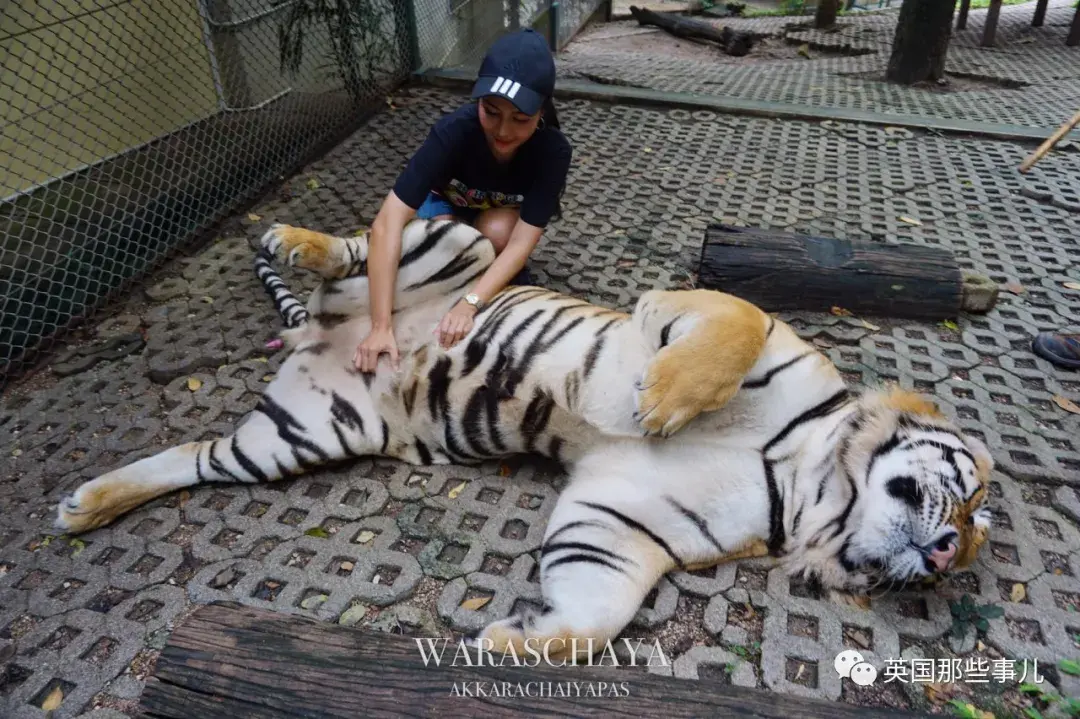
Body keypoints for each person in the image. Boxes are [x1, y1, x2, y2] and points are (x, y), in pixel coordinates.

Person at [353, 28, 572, 373]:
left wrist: (469, 304)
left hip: (493, 220)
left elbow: (521, 244)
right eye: (491, 111)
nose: (502, 131)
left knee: (498, 236)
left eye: (520, 119)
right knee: (438, 250)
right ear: (478, 101)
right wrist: (380, 327)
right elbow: (387, 221)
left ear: (542, 112)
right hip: (444, 208)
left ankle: (481, 272)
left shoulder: (554, 151)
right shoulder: (453, 130)